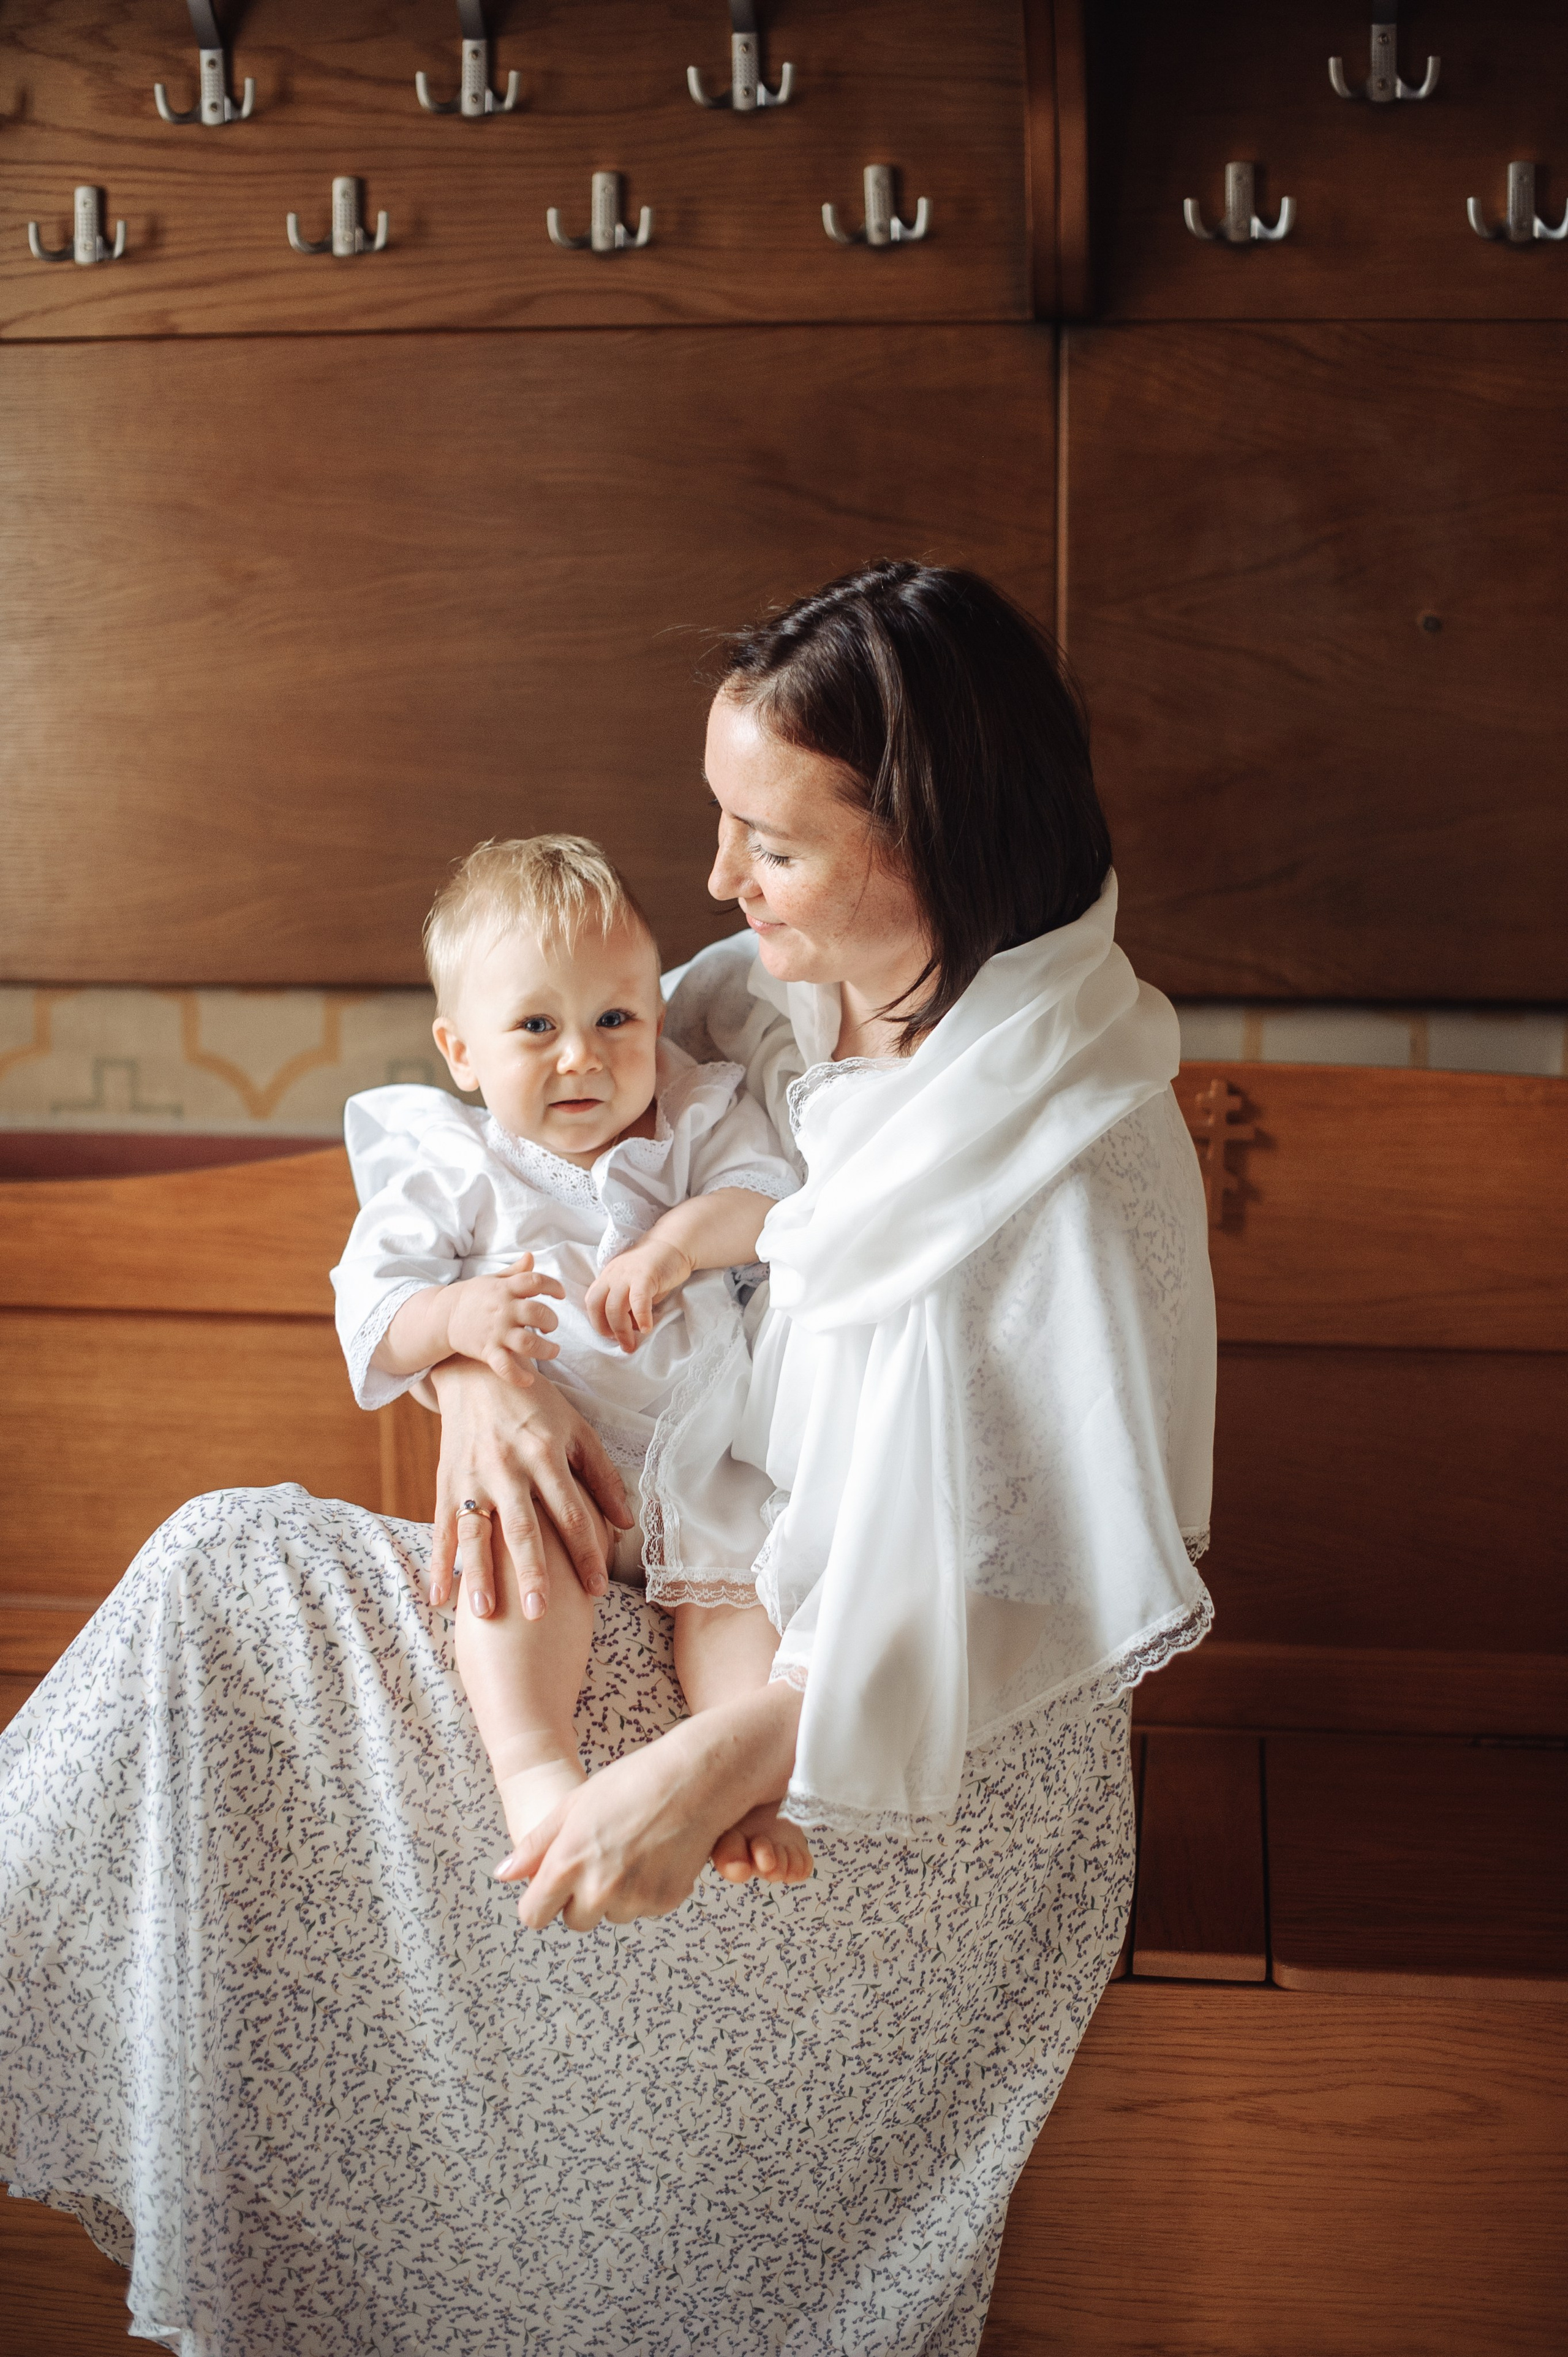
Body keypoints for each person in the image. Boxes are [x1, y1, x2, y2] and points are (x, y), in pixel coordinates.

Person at [0, 561, 1215, 2357]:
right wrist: (478, 1385)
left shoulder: (1076, 1154)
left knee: (232, 1593)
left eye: (769, 845)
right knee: (224, 1588)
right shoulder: (764, 999)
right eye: (716, 829)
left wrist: (715, 1759)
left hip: (906, 1780)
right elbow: (523, 1188)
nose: (719, 884)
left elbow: (1040, 1614)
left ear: (929, 843)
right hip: (675, 1593)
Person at [331, 832, 807, 1872]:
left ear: (655, 1013)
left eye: (614, 1019)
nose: (583, 1056)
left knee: (741, 1604)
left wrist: (677, 1243)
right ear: (460, 1050)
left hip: (702, 1461)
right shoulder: (452, 1161)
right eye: (537, 1026)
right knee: (513, 1573)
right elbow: (372, 1309)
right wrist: (457, 1321)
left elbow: (772, 1203)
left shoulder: (693, 1114)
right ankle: (536, 1770)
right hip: (555, 1472)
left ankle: (738, 1796)